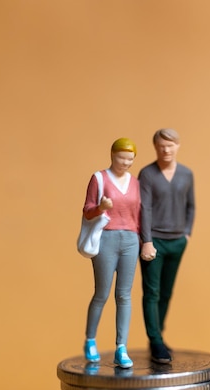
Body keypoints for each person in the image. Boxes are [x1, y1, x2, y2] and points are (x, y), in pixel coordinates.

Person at [82, 138, 141, 368]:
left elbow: (140, 214)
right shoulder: (99, 178)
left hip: (130, 239)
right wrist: (101, 208)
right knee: (102, 293)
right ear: (112, 155)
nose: (125, 162)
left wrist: (145, 241)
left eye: (130, 159)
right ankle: (90, 339)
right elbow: (87, 211)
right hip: (106, 237)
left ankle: (121, 347)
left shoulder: (135, 183)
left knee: (124, 295)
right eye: (121, 157)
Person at [139, 128, 195, 363]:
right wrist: (147, 240)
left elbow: (191, 205)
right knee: (151, 291)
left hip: (177, 241)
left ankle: (157, 335)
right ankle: (155, 340)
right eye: (161, 146)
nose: (166, 150)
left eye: (170, 145)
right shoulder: (147, 174)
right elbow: (143, 208)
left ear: (178, 146)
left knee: (166, 292)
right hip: (154, 242)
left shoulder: (186, 174)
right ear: (155, 148)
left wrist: (187, 234)